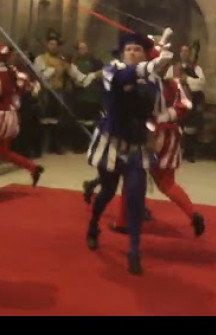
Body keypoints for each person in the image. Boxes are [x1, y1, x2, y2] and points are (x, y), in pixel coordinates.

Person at [85, 30, 172, 275]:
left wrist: (154, 133)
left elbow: (158, 113)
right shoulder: (111, 71)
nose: (132, 52)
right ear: (122, 53)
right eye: (128, 49)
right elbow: (126, 76)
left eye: (138, 49)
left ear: (144, 53)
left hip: (137, 146)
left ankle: (134, 249)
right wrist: (155, 63)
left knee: (135, 197)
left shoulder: (154, 82)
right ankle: (93, 225)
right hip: (111, 143)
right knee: (107, 192)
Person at [110, 53, 206, 238]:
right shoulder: (175, 84)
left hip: (147, 135)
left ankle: (122, 222)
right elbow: (186, 105)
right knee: (167, 183)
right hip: (171, 136)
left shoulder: (144, 84)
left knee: (132, 177)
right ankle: (192, 214)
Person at [0, 43, 44, 193]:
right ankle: (32, 167)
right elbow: (27, 86)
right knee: (3, 152)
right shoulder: (11, 72)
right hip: (10, 116)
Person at [166, 44, 205, 162]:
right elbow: (167, 81)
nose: (184, 53)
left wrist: (187, 79)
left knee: (190, 127)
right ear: (179, 53)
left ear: (189, 53)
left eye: (186, 51)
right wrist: (176, 82)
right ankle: (174, 150)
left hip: (190, 99)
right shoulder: (173, 68)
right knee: (176, 126)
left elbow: (201, 83)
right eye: (182, 51)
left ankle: (189, 152)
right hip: (176, 100)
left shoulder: (196, 68)